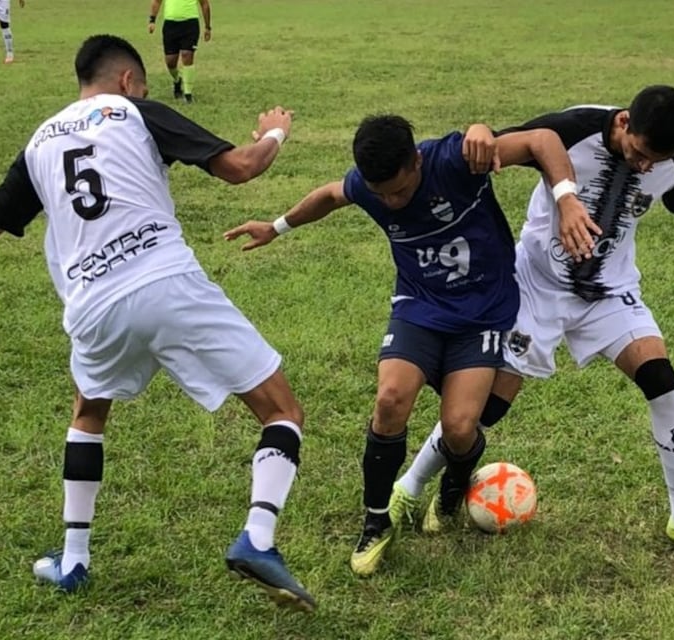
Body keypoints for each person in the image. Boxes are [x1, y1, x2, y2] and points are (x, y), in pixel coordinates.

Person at [0, 34, 315, 612]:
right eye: (140, 85)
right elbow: (242, 169)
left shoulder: (41, 141)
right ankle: (257, 539)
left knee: (89, 413)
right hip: (165, 283)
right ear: (126, 81)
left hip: (91, 305)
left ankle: (73, 559)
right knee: (282, 411)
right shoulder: (134, 111)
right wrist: (275, 130)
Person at [394, 85, 674, 562]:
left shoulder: (673, 162)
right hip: (534, 286)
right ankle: (410, 485)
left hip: (609, 291)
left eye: (657, 160)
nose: (646, 166)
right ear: (625, 122)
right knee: (484, 411)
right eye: (640, 153)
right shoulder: (573, 128)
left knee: (662, 381)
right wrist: (479, 133)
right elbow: (494, 148)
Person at [224, 114, 587, 576]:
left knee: (459, 427)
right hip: (420, 304)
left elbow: (543, 139)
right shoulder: (367, 186)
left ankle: (454, 483)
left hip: (483, 311)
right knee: (390, 399)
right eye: (381, 195)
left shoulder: (458, 159)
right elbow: (331, 195)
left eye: (399, 190)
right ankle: (376, 521)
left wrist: (566, 199)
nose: (391, 202)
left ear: (417, 160)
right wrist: (276, 227)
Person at [148, 0, 211, 102]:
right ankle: (177, 80)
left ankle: (188, 94)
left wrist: (207, 27)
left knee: (187, 55)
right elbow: (157, 2)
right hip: (170, 25)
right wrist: (152, 20)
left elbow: (204, 4)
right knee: (170, 62)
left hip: (190, 24)